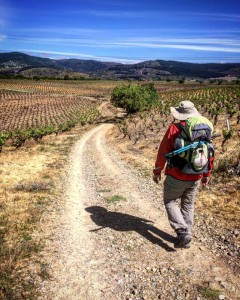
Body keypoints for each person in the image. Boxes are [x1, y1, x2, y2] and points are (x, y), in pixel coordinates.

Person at [153, 100, 213, 249]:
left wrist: (157, 171)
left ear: (180, 114)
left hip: (176, 175)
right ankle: (187, 235)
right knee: (188, 205)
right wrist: (207, 174)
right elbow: (209, 152)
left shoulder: (174, 128)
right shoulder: (203, 129)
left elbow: (163, 152)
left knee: (170, 201)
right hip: (197, 174)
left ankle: (182, 232)